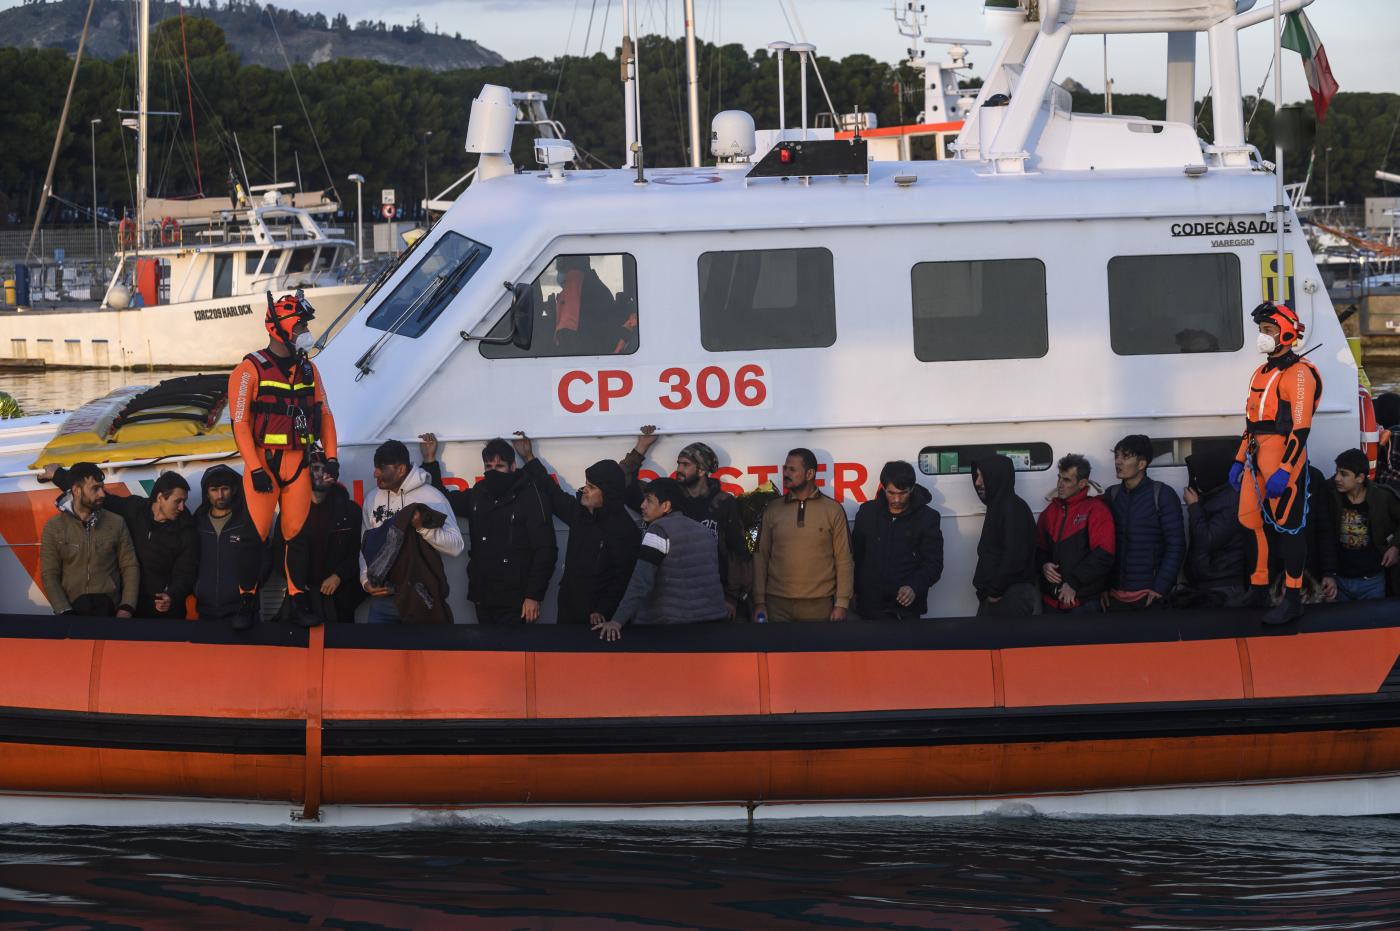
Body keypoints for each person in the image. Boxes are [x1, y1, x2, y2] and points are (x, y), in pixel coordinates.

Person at [228, 291, 339, 628]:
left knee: (296, 536)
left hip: (299, 463)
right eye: (301, 324)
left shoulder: (310, 369)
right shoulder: (249, 369)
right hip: (264, 464)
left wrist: (331, 458)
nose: (306, 330)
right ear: (280, 328)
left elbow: (325, 414)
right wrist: (256, 468)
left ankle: (298, 597)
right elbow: (240, 423)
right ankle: (247, 600)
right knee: (254, 536)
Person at [1231, 301, 1323, 624]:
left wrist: (1285, 470)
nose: (1263, 337)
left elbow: (1301, 428)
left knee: (1289, 530)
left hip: (1284, 460)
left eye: (1268, 330)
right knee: (1249, 521)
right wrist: (1239, 459)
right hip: (1256, 460)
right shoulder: (1261, 372)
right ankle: (1258, 587)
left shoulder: (1299, 374)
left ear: (1285, 332)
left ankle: (1293, 597)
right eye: (1261, 331)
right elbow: (1252, 423)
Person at [420, 435, 557, 625]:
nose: (493, 472)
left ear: (512, 467)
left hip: (517, 602)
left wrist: (534, 596)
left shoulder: (531, 496)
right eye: (488, 467)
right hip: (483, 597)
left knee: (514, 654)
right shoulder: (479, 492)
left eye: (499, 467)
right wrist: (429, 461)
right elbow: (443, 501)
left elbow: (546, 550)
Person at [513, 432, 642, 626]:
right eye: (586, 483)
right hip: (568, 608)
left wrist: (602, 609)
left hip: (600, 619)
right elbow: (551, 491)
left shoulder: (625, 530)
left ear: (606, 493)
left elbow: (623, 578)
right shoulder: (579, 513)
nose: (585, 489)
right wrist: (528, 457)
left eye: (591, 486)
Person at [623, 426, 751, 620]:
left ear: (702, 470)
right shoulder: (669, 498)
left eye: (685, 465)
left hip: (711, 599)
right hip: (670, 600)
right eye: (678, 464)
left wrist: (731, 597)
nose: (678, 470)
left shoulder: (724, 503)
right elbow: (623, 485)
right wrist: (641, 447)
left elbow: (737, 553)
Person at [46, 465, 199, 619]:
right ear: (160, 498)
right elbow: (93, 497)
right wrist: (58, 475)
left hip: (165, 612)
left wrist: (171, 595)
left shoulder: (186, 529)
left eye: (184, 501)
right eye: (177, 501)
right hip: (131, 610)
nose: (182, 507)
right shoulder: (134, 509)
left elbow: (186, 572)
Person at [592, 478, 727, 640]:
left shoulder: (658, 530)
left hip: (668, 628)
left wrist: (616, 621)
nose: (642, 505)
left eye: (649, 500)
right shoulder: (703, 531)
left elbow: (641, 582)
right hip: (712, 625)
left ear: (666, 506)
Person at [359, 440, 464, 623]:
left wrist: (422, 528)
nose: (375, 473)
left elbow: (456, 546)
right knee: (379, 652)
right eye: (375, 467)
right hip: (382, 601)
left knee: (424, 653)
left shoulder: (432, 497)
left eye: (382, 468)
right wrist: (365, 580)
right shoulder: (371, 498)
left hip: (420, 597)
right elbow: (366, 545)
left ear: (400, 469)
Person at [752, 448, 854, 622]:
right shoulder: (773, 509)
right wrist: (759, 602)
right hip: (777, 605)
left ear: (810, 473)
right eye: (785, 468)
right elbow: (761, 557)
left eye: (792, 469)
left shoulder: (833, 510)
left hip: (820, 607)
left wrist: (842, 603)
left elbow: (844, 558)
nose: (785, 473)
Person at [38, 461, 139, 618]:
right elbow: (49, 574)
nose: (102, 494)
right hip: (72, 612)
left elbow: (130, 566)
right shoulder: (53, 527)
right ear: (77, 491)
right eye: (95, 489)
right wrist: (64, 610)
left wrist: (127, 607)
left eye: (102, 488)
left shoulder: (116, 522)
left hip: (110, 612)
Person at [275, 451, 364, 623]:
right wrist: (297, 581)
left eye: (325, 469)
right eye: (315, 469)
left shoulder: (350, 510)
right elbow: (279, 553)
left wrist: (339, 575)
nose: (321, 474)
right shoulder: (289, 512)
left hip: (338, 596)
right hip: (301, 597)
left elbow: (359, 552)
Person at [850, 460, 943, 619]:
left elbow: (934, 563)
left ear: (912, 489)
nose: (897, 499)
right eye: (891, 493)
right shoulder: (867, 513)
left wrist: (914, 587)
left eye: (903, 493)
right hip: (870, 605)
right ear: (883, 488)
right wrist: (852, 592)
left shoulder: (928, 518)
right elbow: (855, 556)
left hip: (906, 609)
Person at [1103, 435, 1185, 612]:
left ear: (1141, 464)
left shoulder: (1163, 495)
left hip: (1149, 597)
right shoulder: (1112, 495)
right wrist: (1102, 587)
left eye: (1125, 457)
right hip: (1114, 598)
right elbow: (1102, 546)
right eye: (1116, 456)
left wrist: (1160, 588)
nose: (1118, 462)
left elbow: (1176, 545)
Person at [1036, 453, 1115, 615]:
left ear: (1082, 483)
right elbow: (1038, 549)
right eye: (1059, 478)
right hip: (1052, 601)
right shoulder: (1049, 512)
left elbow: (1104, 555)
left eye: (1066, 480)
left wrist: (1072, 583)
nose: (1059, 485)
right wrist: (1044, 565)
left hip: (1083, 602)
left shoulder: (1096, 510)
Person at [1319, 448, 1400, 602]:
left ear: (1360, 478)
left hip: (1373, 581)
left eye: (1344, 474)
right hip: (1340, 581)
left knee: (1373, 623)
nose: (1337, 478)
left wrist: (1396, 546)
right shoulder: (1331, 496)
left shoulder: (1382, 497)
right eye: (1337, 472)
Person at [192, 464, 263, 627]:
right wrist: (197, 589)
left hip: (243, 612)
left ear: (234, 490)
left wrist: (249, 588)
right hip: (205, 611)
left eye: (225, 489)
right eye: (214, 490)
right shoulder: (196, 523)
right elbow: (188, 561)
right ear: (206, 493)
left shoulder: (249, 521)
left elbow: (264, 559)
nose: (220, 495)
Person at [1180, 446, 1251, 606]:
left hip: (1225, 586)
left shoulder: (1231, 502)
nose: (1195, 480)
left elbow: (1207, 540)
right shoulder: (1213, 495)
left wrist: (1194, 508)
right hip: (1211, 583)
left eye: (1198, 476)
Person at [970, 454, 1039, 617]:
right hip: (998, 595)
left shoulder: (1012, 508)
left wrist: (995, 591)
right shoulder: (999, 506)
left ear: (996, 476)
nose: (977, 482)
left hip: (1009, 597)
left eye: (982, 476)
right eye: (977, 476)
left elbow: (1015, 555)